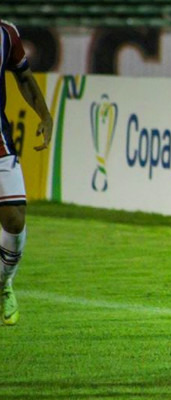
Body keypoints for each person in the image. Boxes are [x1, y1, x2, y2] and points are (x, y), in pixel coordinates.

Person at [0, 20, 53, 325]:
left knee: (15, 218)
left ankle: (4, 284)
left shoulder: (6, 34)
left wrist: (44, 114)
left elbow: (24, 77)